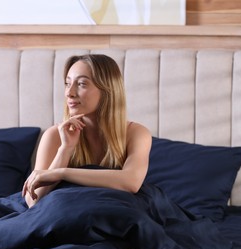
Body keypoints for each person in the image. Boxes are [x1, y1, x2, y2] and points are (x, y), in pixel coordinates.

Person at [22, 54, 152, 208]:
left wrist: (62, 173)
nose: (69, 93)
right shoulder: (54, 135)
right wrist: (66, 149)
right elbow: (33, 202)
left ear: (107, 90)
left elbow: (131, 182)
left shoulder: (136, 133)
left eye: (82, 84)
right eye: (67, 83)